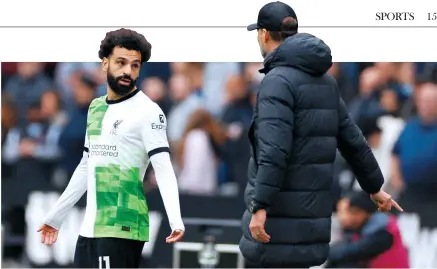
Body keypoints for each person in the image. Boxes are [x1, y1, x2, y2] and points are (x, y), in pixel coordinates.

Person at [239, 2, 403, 268]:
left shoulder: (276, 81)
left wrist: (260, 206)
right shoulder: (326, 81)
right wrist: (374, 187)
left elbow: (273, 151)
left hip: (275, 226)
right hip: (310, 225)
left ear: (264, 34)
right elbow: (352, 140)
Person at [37, 28, 185, 268]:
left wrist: (175, 220)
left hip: (122, 227)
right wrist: (56, 216)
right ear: (105, 64)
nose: (128, 71)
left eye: (135, 65)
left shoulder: (149, 111)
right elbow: (86, 165)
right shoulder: (96, 107)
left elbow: (163, 167)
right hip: (90, 229)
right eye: (121, 62)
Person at [327, 191, 409, 268]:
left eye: (355, 212)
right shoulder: (362, 226)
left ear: (367, 213)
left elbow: (349, 252)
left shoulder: (383, 232)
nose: (350, 217)